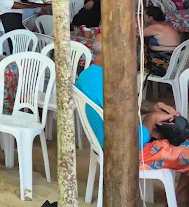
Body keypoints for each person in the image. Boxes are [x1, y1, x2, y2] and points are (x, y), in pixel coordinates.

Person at [76, 38, 189, 204]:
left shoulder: (88, 76)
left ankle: (178, 199)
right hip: (124, 153)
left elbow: (122, 110)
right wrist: (152, 118)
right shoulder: (110, 85)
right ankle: (178, 200)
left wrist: (150, 108)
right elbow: (136, 142)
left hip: (109, 143)